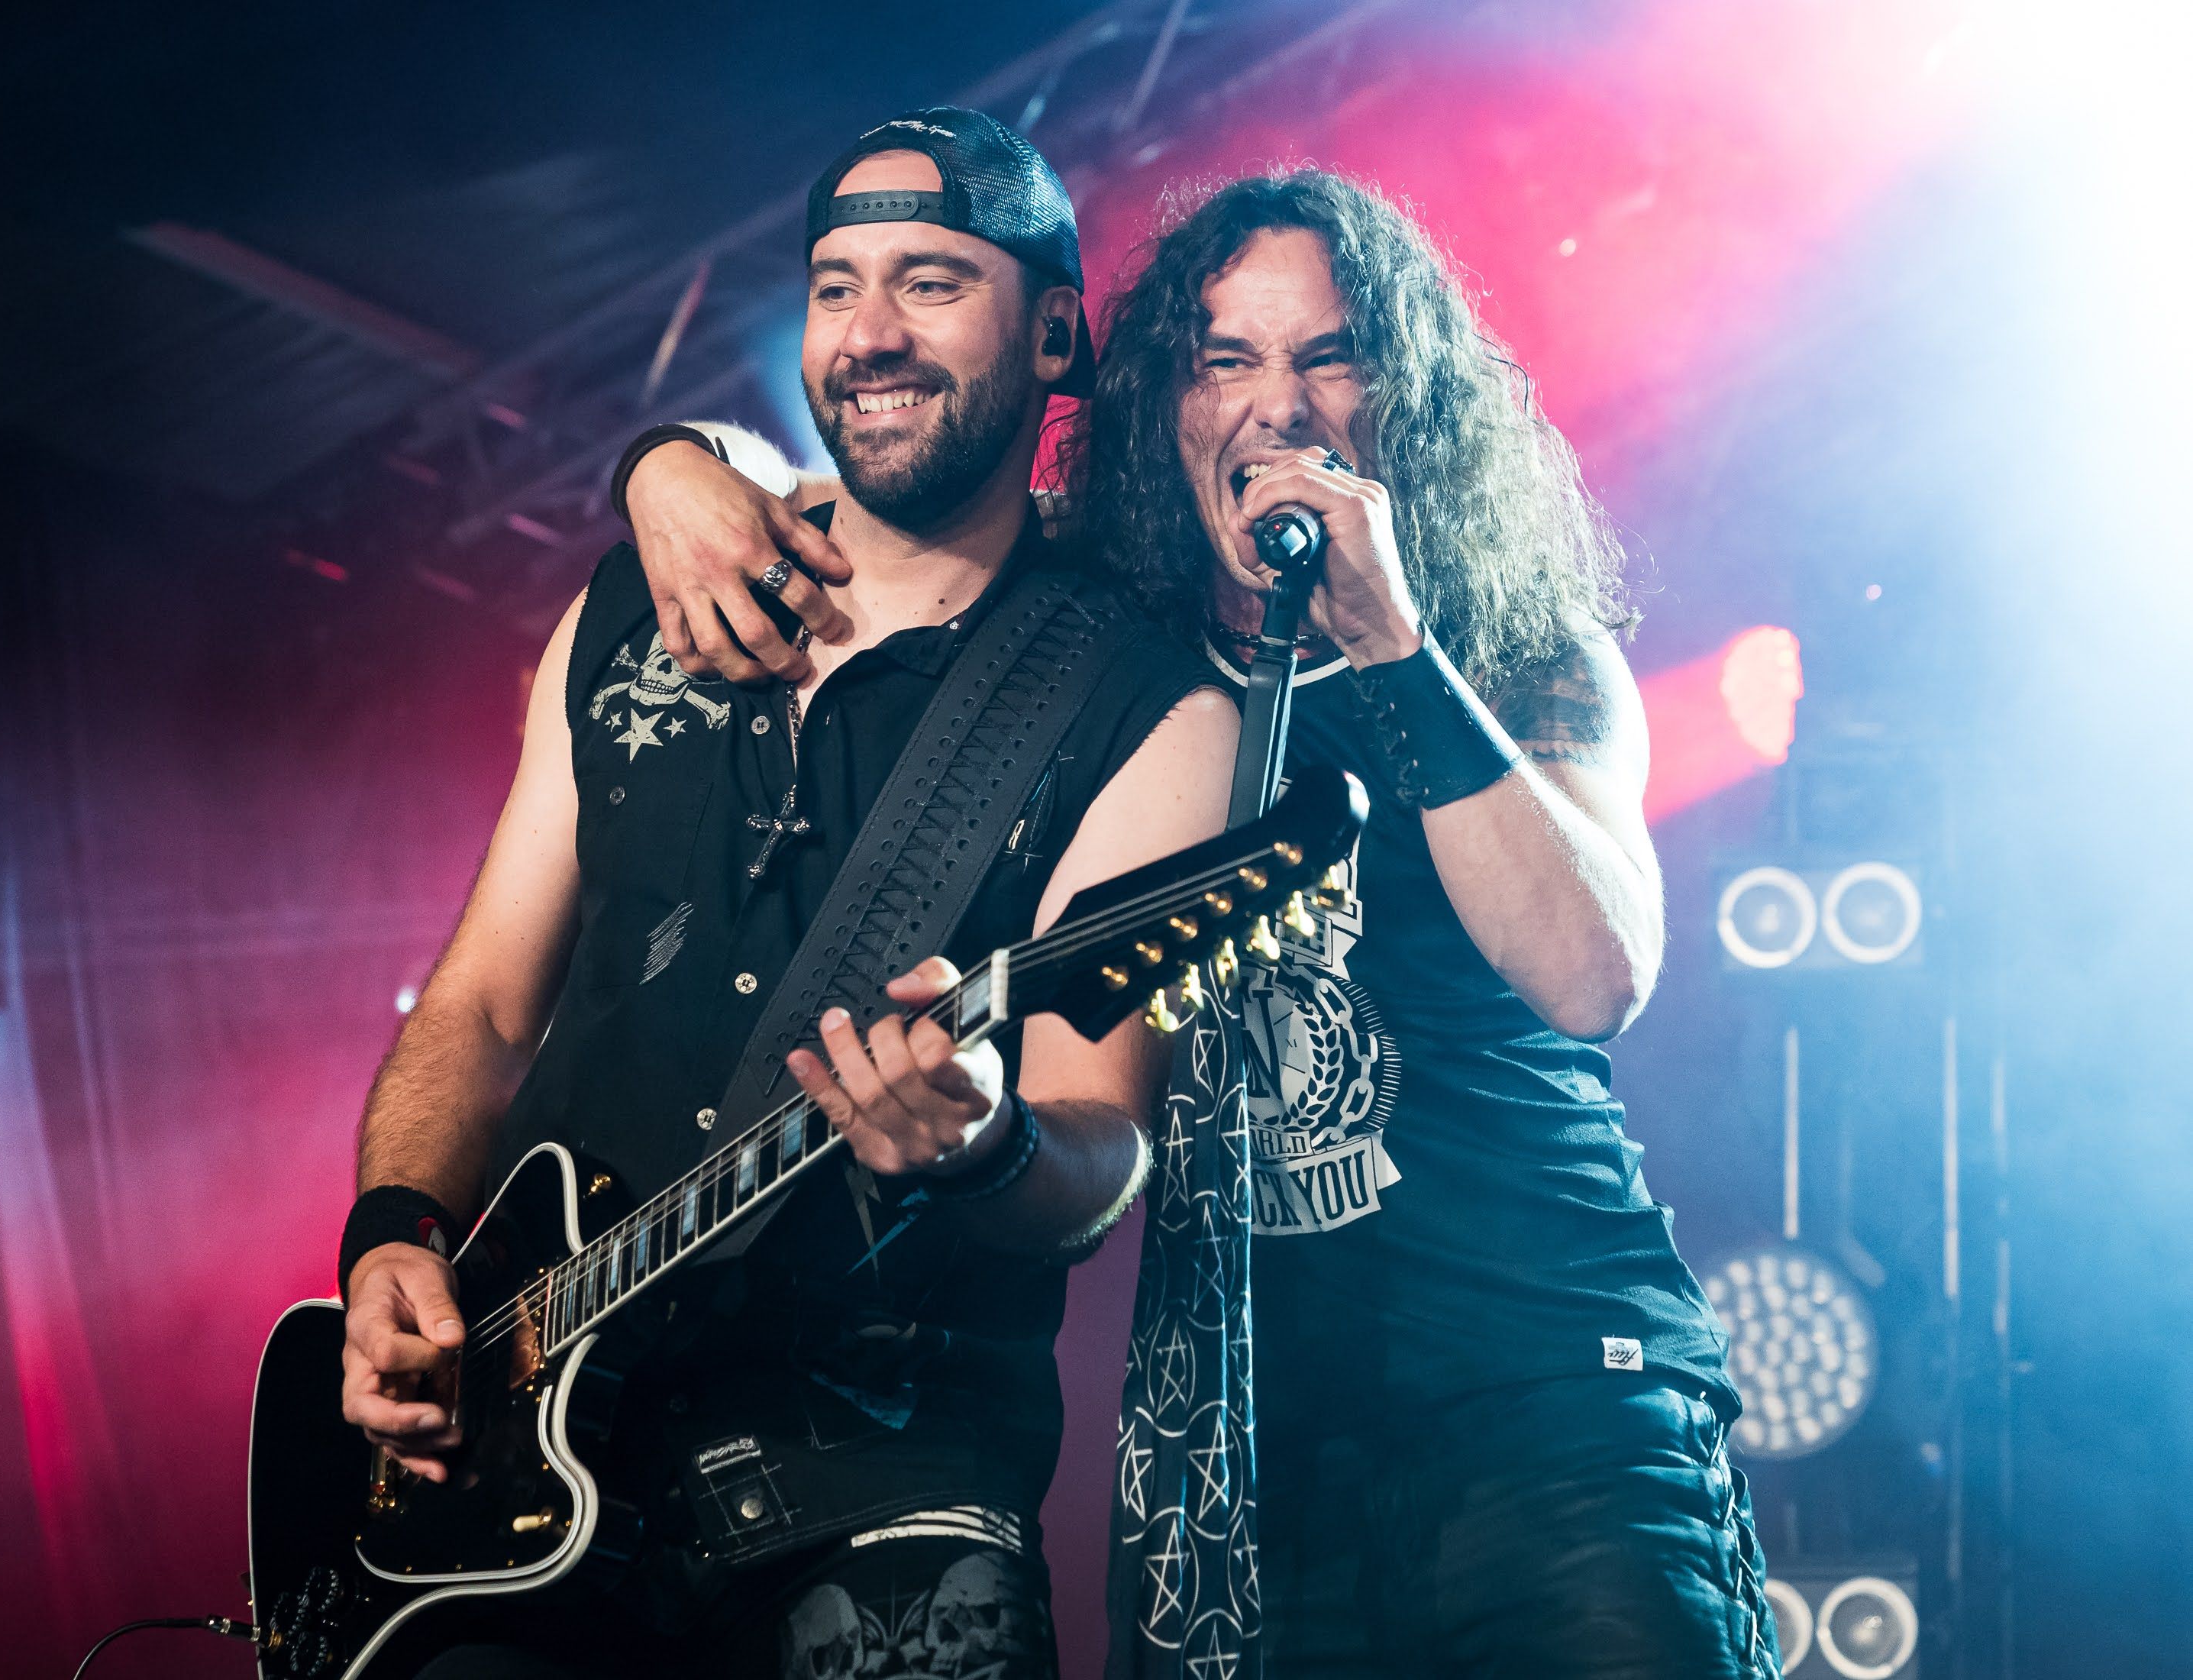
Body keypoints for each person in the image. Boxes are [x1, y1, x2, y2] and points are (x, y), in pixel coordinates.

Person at [616, 169, 1781, 1678]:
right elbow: (860, 494)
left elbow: (1592, 973)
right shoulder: (1108, 641)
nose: (1277, 407)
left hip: (1549, 1403)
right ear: (1165, 407)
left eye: (1330, 357)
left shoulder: (1512, 647)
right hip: (1236, 1461)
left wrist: (1392, 640)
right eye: (1226, 360)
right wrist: (669, 460)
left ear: (1405, 397)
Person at [335, 108, 1237, 1680]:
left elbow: (1104, 1145)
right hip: (516, 1487)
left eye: (932, 283)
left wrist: (988, 1142)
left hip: (880, 1487)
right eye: (835, 287)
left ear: (1055, 337)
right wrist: (393, 1239)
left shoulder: (1146, 702)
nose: (869, 334)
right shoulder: (629, 611)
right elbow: (477, 1007)